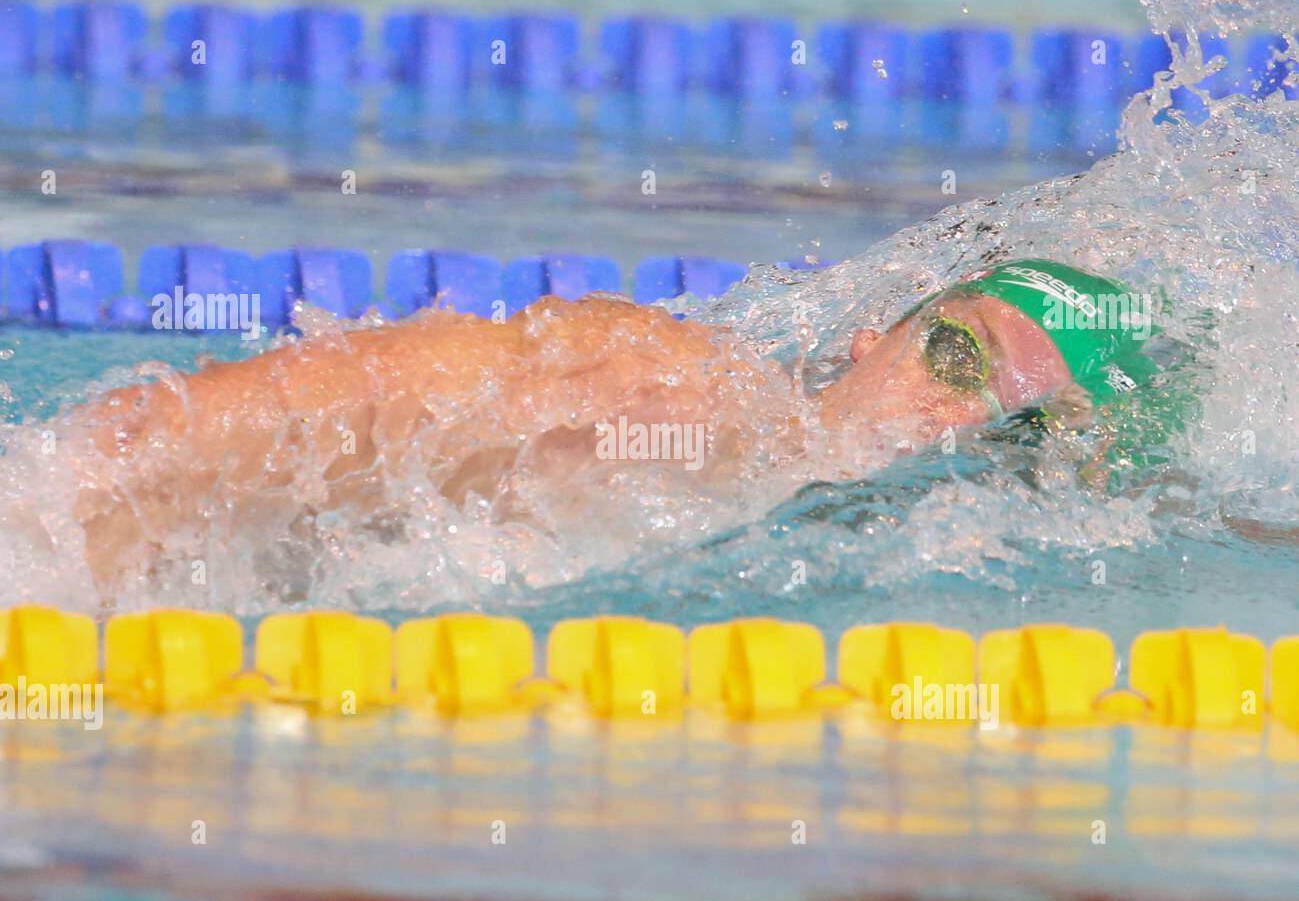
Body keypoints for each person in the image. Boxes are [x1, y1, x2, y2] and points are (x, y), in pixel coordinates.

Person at [66, 258, 1181, 592]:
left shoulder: (923, 581)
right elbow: (216, 424)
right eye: (955, 356)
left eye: (1021, 422)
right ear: (871, 336)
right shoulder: (671, 386)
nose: (953, 416)